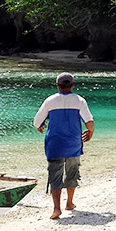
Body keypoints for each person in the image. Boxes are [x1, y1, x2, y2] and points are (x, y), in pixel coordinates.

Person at [33, 72, 94, 219]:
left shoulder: (50, 101)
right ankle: (70, 203)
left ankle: (56, 209)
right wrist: (90, 132)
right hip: (73, 144)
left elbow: (36, 122)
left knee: (55, 175)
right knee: (72, 173)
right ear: (72, 85)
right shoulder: (79, 101)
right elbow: (89, 123)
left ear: (58, 86)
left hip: (54, 145)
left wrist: (41, 125)